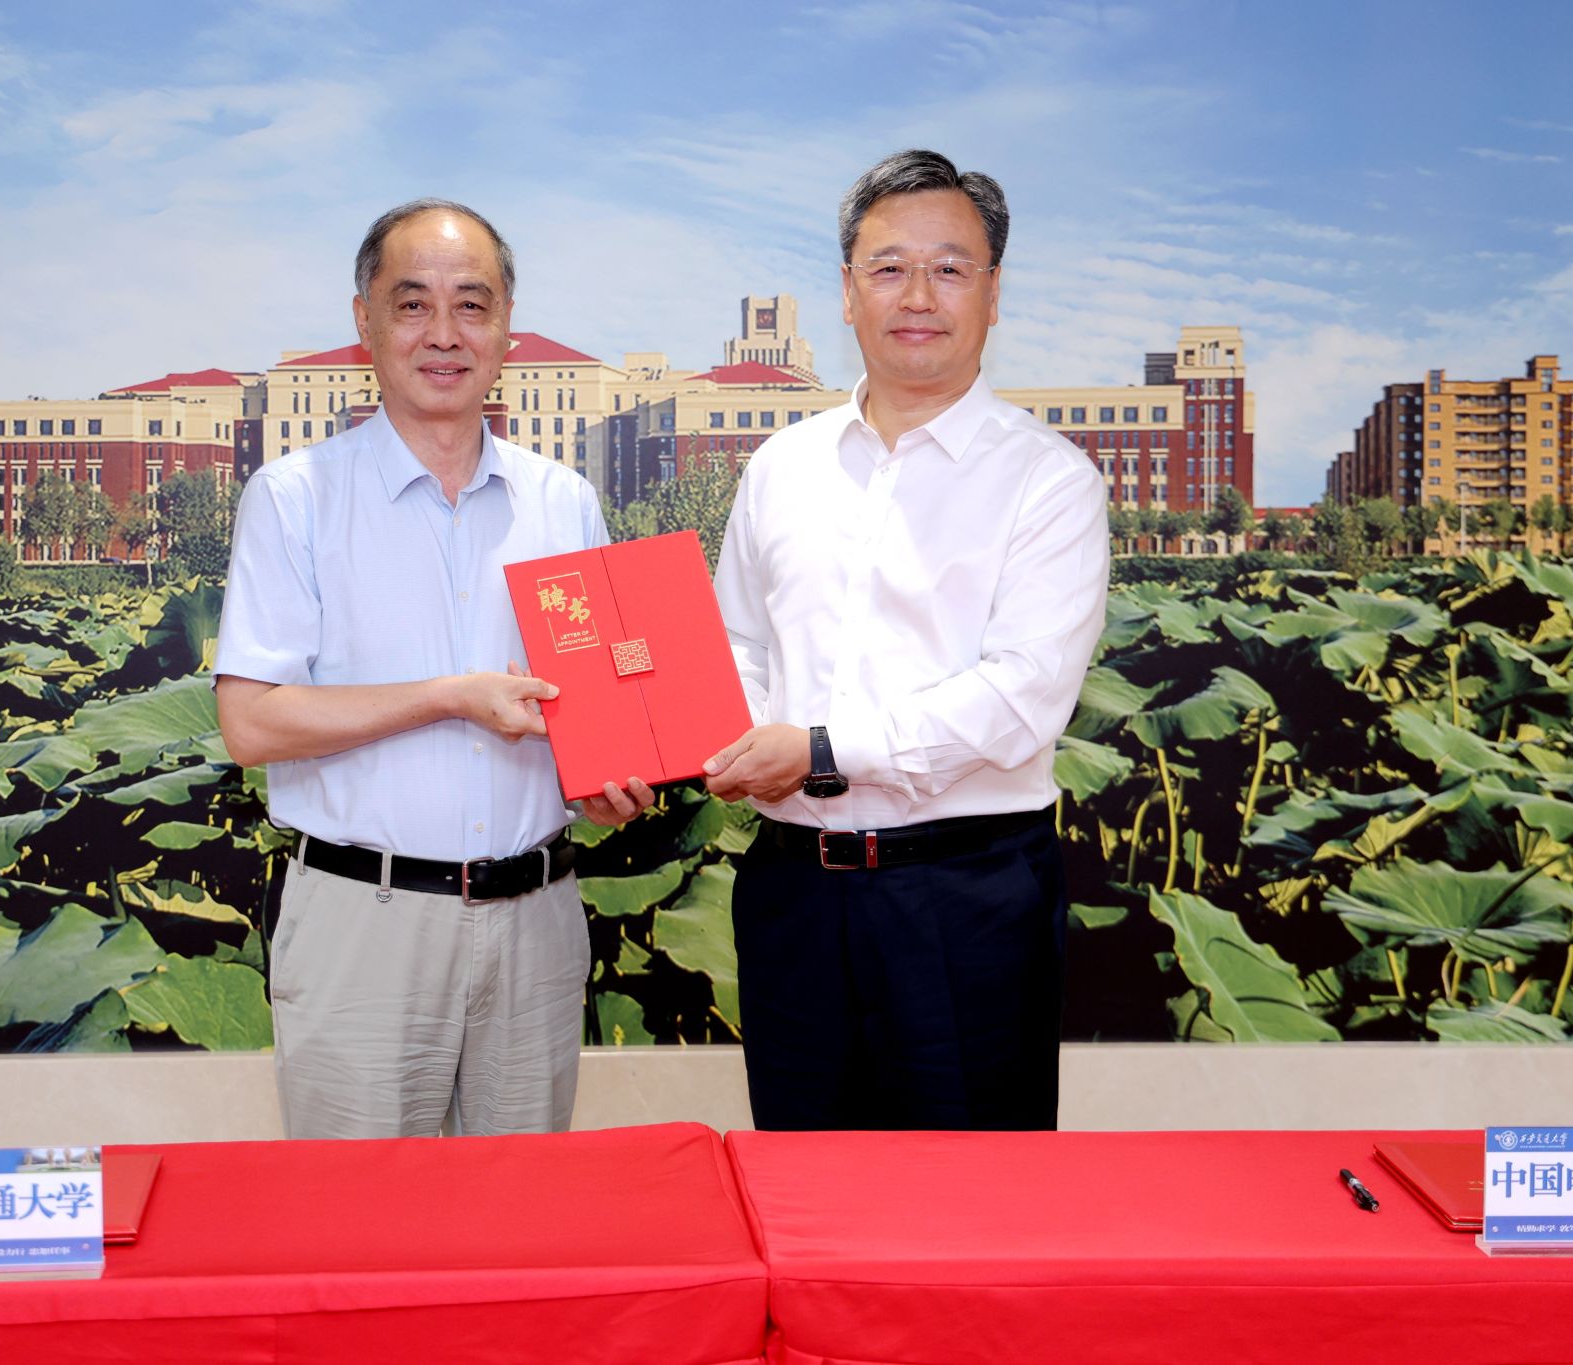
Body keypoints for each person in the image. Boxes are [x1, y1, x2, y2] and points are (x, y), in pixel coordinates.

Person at [215, 198, 653, 1139]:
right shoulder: (295, 498)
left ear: (506, 328)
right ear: (366, 321)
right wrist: (451, 697)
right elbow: (250, 723)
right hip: (363, 927)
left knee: (519, 1213)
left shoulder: (564, 502)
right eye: (413, 304)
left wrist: (608, 783)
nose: (445, 334)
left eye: (472, 305)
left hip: (535, 923)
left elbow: (592, 715)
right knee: (362, 1217)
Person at [705, 150, 1109, 1131]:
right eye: (888, 268)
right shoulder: (782, 467)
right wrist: (712, 739)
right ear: (847, 292)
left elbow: (1020, 696)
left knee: (969, 1198)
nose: (917, 296)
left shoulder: (1049, 480)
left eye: (949, 268)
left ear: (993, 293)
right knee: (804, 1182)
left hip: (965, 900)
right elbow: (738, 644)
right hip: (793, 895)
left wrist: (821, 751)